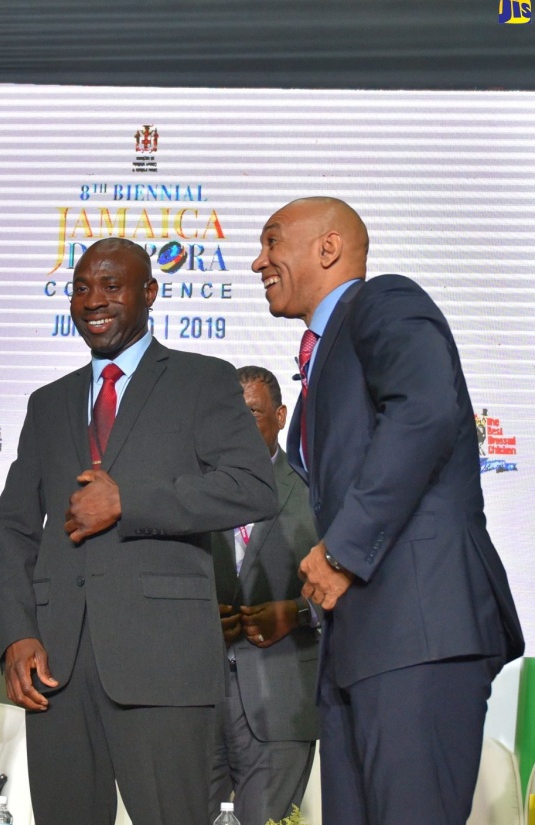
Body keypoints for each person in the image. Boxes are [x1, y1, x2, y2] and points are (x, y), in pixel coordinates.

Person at [253, 196, 524, 825]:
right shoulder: (320, 354)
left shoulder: (383, 301)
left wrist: (342, 550)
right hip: (361, 644)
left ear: (328, 248)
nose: (257, 261)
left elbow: (425, 411)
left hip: (417, 632)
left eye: (272, 242)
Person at [0, 237, 277, 825]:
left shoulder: (202, 380)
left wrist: (130, 501)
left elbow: (254, 486)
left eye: (111, 286)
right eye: (80, 287)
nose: (93, 300)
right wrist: (18, 634)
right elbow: (15, 529)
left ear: (149, 292)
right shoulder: (48, 403)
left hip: (164, 664)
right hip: (56, 668)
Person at [210, 366, 320, 825]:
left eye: (251, 413)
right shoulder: (194, 491)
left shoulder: (316, 492)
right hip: (200, 703)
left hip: (281, 701)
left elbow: (353, 585)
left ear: (279, 415)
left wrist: (296, 613)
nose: (239, 424)